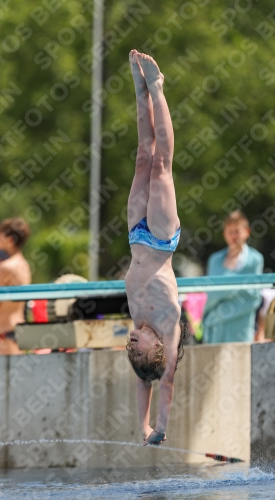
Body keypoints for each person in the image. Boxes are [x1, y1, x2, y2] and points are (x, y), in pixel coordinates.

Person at [125, 50, 188, 447]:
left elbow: (140, 381)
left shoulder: (139, 325)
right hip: (162, 238)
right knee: (162, 163)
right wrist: (159, 428)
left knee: (142, 157)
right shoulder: (168, 328)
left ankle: (139, 89)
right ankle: (158, 87)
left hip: (135, 236)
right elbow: (161, 384)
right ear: (158, 349)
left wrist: (139, 427)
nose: (131, 342)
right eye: (138, 348)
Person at [202, 211, 264, 343]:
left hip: (240, 325)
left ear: (247, 232)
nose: (233, 236)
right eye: (230, 232)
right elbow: (212, 294)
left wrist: (219, 309)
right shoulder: (215, 260)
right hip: (215, 327)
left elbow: (252, 297)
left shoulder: (255, 259)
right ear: (225, 233)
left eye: (237, 231)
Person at [0, 218, 31, 355]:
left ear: (10, 240)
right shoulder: (24, 264)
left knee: (5, 376)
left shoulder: (5, 267)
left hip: (6, 330)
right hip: (19, 328)